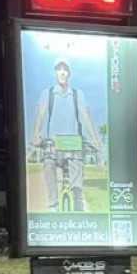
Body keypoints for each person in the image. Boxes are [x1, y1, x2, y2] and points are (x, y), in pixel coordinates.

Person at [31, 58, 102, 213]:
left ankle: (77, 202)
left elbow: (86, 116)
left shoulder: (78, 94)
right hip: (53, 144)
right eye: (59, 69)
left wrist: (95, 139)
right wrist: (36, 134)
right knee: (48, 164)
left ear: (69, 73)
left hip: (73, 144)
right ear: (55, 73)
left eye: (65, 69)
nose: (62, 72)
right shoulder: (47, 93)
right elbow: (40, 114)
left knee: (77, 169)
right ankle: (52, 205)